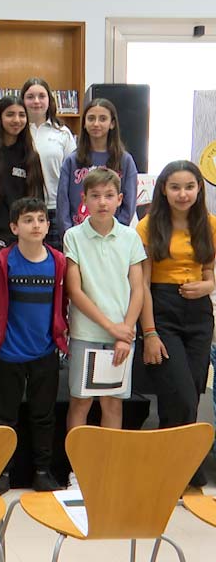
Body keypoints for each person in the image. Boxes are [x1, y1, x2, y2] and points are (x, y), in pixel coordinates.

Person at [137, 160, 215, 488]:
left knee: (189, 394)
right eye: (175, 187)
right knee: (180, 393)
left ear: (199, 189)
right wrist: (150, 333)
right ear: (163, 190)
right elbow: (141, 286)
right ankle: (179, 466)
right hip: (162, 309)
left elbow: (210, 273)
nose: (183, 194)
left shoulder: (209, 224)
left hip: (199, 314)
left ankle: (171, 470)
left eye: (189, 187)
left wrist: (207, 286)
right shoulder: (148, 225)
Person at [0, 197, 67, 494]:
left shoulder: (58, 262)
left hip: (45, 352)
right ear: (14, 227)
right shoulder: (2, 263)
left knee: (43, 415)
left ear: (48, 226)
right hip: (8, 353)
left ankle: (42, 471)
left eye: (41, 220)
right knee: (4, 417)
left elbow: (64, 302)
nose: (35, 225)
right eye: (28, 220)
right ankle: (1, 473)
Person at [64, 168, 145, 434]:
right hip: (86, 332)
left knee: (112, 404)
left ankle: (108, 470)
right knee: (80, 403)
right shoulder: (73, 236)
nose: (102, 202)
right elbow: (75, 291)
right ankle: (77, 470)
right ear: (84, 199)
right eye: (95, 195)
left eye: (109, 195)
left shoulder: (131, 237)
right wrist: (112, 328)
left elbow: (138, 289)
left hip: (122, 336)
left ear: (120, 199)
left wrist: (125, 333)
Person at [0, 95, 46, 260]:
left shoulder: (31, 157)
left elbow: (38, 201)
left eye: (21, 115)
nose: (16, 120)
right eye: (10, 114)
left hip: (25, 239)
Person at [57, 98, 138, 237]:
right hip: (79, 237)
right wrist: (69, 235)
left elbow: (129, 203)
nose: (96, 124)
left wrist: (116, 233)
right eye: (91, 118)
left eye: (102, 119)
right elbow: (63, 203)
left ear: (112, 123)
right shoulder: (72, 160)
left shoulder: (125, 160)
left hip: (112, 236)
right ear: (84, 123)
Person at [21, 77, 76, 249]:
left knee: (56, 264)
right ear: (22, 100)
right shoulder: (15, 131)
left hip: (54, 209)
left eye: (41, 96)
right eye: (30, 96)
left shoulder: (62, 133)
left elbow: (73, 174)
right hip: (22, 208)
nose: (36, 101)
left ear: (49, 100)